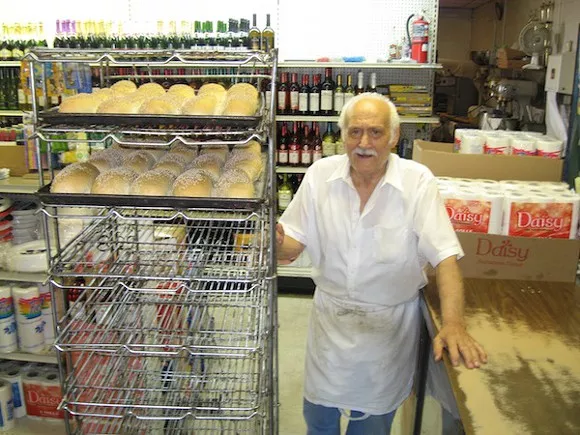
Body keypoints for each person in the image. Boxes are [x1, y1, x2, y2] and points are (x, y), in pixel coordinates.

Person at [276, 93, 487, 434]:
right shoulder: (319, 175)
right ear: (341, 134)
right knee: (318, 418)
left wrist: (453, 324)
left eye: (375, 132)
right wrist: (273, 240)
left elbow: (445, 257)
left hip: (387, 330)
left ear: (394, 136)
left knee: (372, 425)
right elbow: (292, 244)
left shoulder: (417, 181)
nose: (364, 143)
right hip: (331, 323)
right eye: (354, 132)